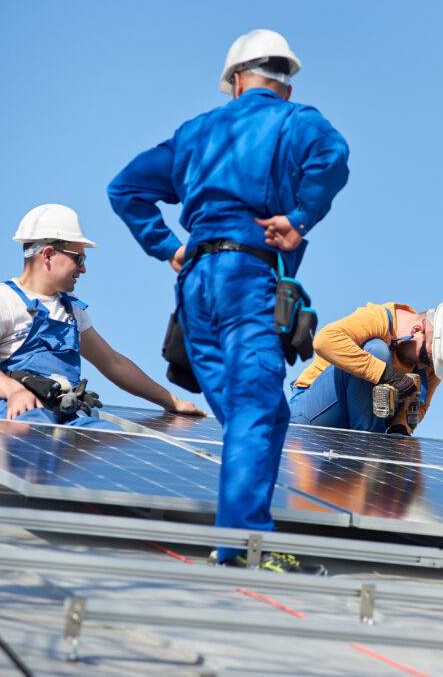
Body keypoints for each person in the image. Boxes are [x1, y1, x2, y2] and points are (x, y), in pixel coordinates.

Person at [108, 29, 349, 573]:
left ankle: (244, 539)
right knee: (256, 409)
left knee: (260, 412)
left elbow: (125, 188)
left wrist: (167, 246)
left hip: (195, 289)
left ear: (235, 81)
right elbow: (333, 158)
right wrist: (299, 218)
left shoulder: (197, 132)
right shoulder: (296, 121)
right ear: (284, 84)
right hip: (248, 278)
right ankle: (244, 546)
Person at [0, 204, 203, 428]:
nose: (83, 269)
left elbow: (113, 363)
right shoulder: (0, 299)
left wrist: (171, 401)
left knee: (107, 440)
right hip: (10, 408)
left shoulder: (72, 312)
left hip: (61, 414)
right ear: (47, 255)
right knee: (35, 432)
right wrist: (13, 391)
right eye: (79, 258)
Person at [290, 302, 443, 435]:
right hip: (312, 417)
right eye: (423, 358)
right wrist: (387, 375)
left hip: (351, 435)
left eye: (429, 364)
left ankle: (376, 447)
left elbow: (421, 406)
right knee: (376, 350)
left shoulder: (431, 361)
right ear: (417, 330)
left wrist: (401, 426)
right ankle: (371, 446)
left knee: (415, 383)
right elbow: (324, 341)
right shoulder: (378, 318)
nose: (423, 366)